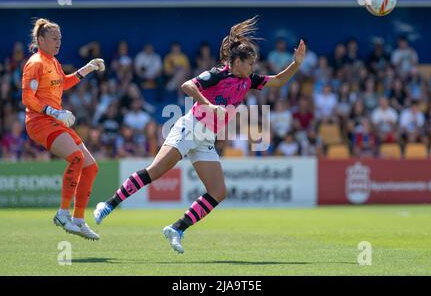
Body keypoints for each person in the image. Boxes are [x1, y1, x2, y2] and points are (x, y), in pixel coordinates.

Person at [94, 16, 306, 253]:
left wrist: (296, 64)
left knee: (218, 192)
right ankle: (109, 204)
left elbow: (277, 82)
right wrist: (207, 104)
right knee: (155, 171)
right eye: (249, 63)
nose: (253, 67)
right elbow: (187, 85)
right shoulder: (218, 73)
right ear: (236, 61)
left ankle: (177, 228)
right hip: (191, 127)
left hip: (206, 139)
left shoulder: (249, 81)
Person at [21, 18, 105, 240]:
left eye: (60, 38)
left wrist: (86, 69)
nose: (58, 42)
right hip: (40, 122)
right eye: (54, 38)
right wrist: (54, 112)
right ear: (40, 40)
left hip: (55, 120)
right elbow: (27, 98)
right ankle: (62, 213)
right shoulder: (35, 62)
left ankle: (78, 220)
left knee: (91, 167)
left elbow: (63, 83)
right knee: (76, 158)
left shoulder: (54, 62)